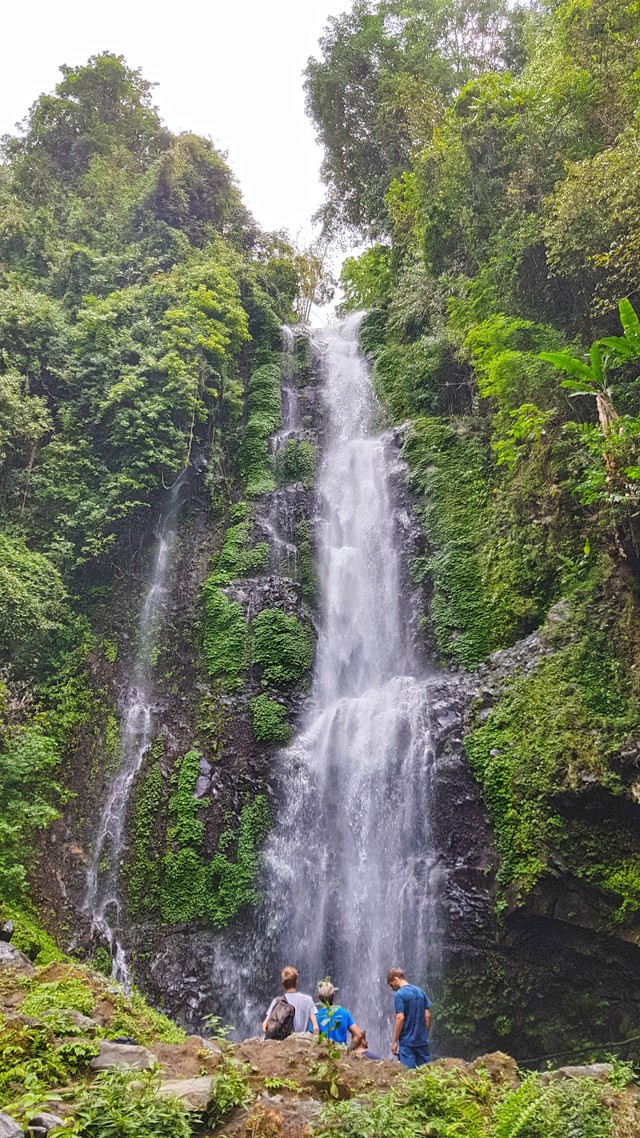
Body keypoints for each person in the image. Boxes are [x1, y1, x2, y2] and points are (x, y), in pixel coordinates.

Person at [386, 967, 431, 1069]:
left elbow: (400, 1018)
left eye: (391, 984)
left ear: (395, 979)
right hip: (422, 1041)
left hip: (407, 1042)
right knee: (426, 1073)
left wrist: (394, 1041)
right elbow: (427, 1016)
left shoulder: (400, 994)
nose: (392, 988)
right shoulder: (420, 992)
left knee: (407, 1075)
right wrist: (424, 1033)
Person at [262, 966, 319, 1037]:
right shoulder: (308, 1000)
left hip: (283, 1044)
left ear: (283, 983)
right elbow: (316, 1028)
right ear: (296, 981)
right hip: (301, 1042)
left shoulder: (277, 1001)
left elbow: (264, 1026)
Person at [313, 978, 365, 1047]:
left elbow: (314, 1036)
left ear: (318, 996)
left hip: (325, 1052)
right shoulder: (344, 1013)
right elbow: (358, 1035)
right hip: (341, 1051)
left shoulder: (317, 1016)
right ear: (334, 995)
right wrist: (349, 1050)